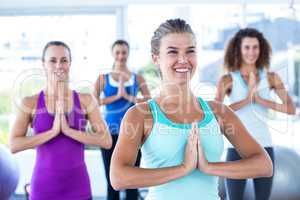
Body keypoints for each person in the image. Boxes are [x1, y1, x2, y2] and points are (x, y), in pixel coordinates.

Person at [110, 19, 273, 200]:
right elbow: (118, 177)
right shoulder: (140, 115)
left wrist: (209, 167)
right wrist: (183, 169)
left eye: (190, 51)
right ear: (156, 58)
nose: (183, 59)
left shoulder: (219, 112)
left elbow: (264, 165)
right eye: (172, 52)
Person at [9, 41, 112, 200]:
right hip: (43, 188)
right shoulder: (30, 103)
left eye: (64, 60)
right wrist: (53, 132)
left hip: (79, 187)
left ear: (70, 63)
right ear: (43, 64)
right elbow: (14, 145)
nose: (59, 65)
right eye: (52, 60)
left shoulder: (85, 100)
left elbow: (106, 141)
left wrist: (69, 131)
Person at [215, 28, 296, 200]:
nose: (251, 52)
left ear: (261, 49)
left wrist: (260, 100)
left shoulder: (272, 77)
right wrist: (247, 100)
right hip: (235, 147)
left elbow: (291, 109)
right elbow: (216, 113)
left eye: (255, 47)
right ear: (238, 49)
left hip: (264, 146)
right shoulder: (227, 80)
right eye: (247, 47)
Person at [94, 39, 151, 200]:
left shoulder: (137, 78)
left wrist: (127, 97)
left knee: (132, 181)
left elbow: (149, 102)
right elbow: (91, 102)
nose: (121, 56)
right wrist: (115, 97)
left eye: (124, 52)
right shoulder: (103, 78)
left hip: (133, 134)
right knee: (112, 181)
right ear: (112, 54)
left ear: (128, 53)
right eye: (117, 52)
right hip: (109, 134)